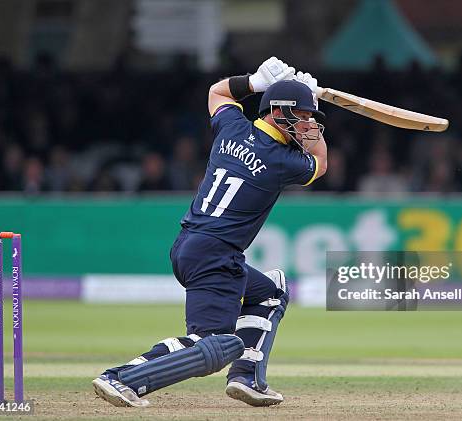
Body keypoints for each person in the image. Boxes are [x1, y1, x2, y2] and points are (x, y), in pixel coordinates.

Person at [92, 57, 328, 408]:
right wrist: (311, 125)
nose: (309, 125)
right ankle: (122, 377)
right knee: (216, 344)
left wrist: (253, 82)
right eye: (304, 117)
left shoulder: (232, 126)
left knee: (270, 291)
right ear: (279, 114)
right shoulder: (282, 162)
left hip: (190, 244)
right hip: (215, 254)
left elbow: (216, 92)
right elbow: (320, 164)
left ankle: (247, 377)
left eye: (312, 118)